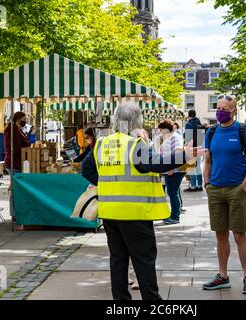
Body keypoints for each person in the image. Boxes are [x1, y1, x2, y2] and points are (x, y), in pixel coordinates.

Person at [81, 102, 204, 300]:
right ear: (138, 121)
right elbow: (157, 163)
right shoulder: (135, 144)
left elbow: (86, 169)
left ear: (115, 120)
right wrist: (185, 155)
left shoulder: (102, 143)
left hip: (109, 212)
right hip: (135, 212)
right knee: (143, 260)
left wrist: (107, 185)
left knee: (118, 260)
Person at [202, 95, 246, 294]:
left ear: (233, 110)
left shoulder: (244, 130)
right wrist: (207, 182)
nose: (220, 111)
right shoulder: (211, 131)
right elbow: (207, 160)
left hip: (236, 189)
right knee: (220, 235)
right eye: (218, 107)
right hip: (215, 189)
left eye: (225, 108)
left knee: (239, 235)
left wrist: (243, 186)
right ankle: (223, 275)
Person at [157, 120, 185, 225]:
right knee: (173, 192)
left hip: (175, 170)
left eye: (161, 130)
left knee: (173, 193)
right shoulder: (170, 137)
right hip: (172, 169)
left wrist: (171, 168)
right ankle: (174, 215)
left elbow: (177, 151)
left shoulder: (174, 137)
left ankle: (175, 216)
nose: (160, 132)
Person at [184, 110, 205, 192]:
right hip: (200, 147)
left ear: (189, 115)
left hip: (191, 148)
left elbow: (188, 138)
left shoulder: (189, 124)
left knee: (191, 166)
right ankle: (199, 185)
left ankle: (192, 186)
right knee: (198, 166)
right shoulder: (200, 124)